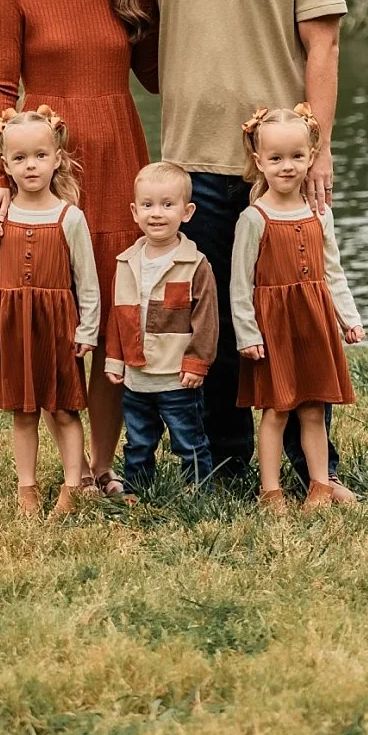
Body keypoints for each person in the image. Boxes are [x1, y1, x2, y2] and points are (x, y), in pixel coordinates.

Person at [133, 0, 354, 497]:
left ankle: (312, 465)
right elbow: (135, 34)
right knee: (207, 323)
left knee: (291, 317)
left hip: (276, 171)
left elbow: (322, 47)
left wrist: (315, 152)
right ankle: (221, 461)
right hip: (186, 164)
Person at [0, 0, 157, 499]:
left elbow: (158, 76)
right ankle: (57, 468)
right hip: (43, 170)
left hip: (119, 160)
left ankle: (102, 470)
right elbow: (0, 88)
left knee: (113, 309)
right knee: (56, 315)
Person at [0, 107, 101, 517]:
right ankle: (26, 486)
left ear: (57, 158)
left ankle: (72, 483)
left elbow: (88, 281)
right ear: (4, 163)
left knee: (63, 407)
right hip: (13, 325)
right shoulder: (0, 219)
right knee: (23, 411)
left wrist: (87, 329)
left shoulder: (70, 217)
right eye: (21, 158)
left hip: (58, 325)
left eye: (40, 156)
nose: (31, 166)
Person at [231, 107, 362, 513]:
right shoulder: (254, 218)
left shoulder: (320, 214)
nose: (286, 167)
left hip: (314, 320)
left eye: (296, 157)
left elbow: (333, 272)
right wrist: (248, 334)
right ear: (259, 163)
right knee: (276, 409)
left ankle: (320, 485)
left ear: (311, 156)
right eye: (275, 159)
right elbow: (240, 284)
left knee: (313, 406)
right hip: (274, 325)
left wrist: (349, 319)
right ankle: (270, 491)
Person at [102, 161, 218, 494]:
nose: (157, 214)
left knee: (189, 440)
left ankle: (200, 491)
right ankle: (137, 491)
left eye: (168, 205)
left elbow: (206, 320)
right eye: (148, 205)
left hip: (177, 376)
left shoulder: (194, 264)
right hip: (137, 379)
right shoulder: (126, 262)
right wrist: (114, 359)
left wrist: (197, 362)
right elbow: (118, 315)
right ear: (134, 211)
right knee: (138, 441)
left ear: (187, 211)